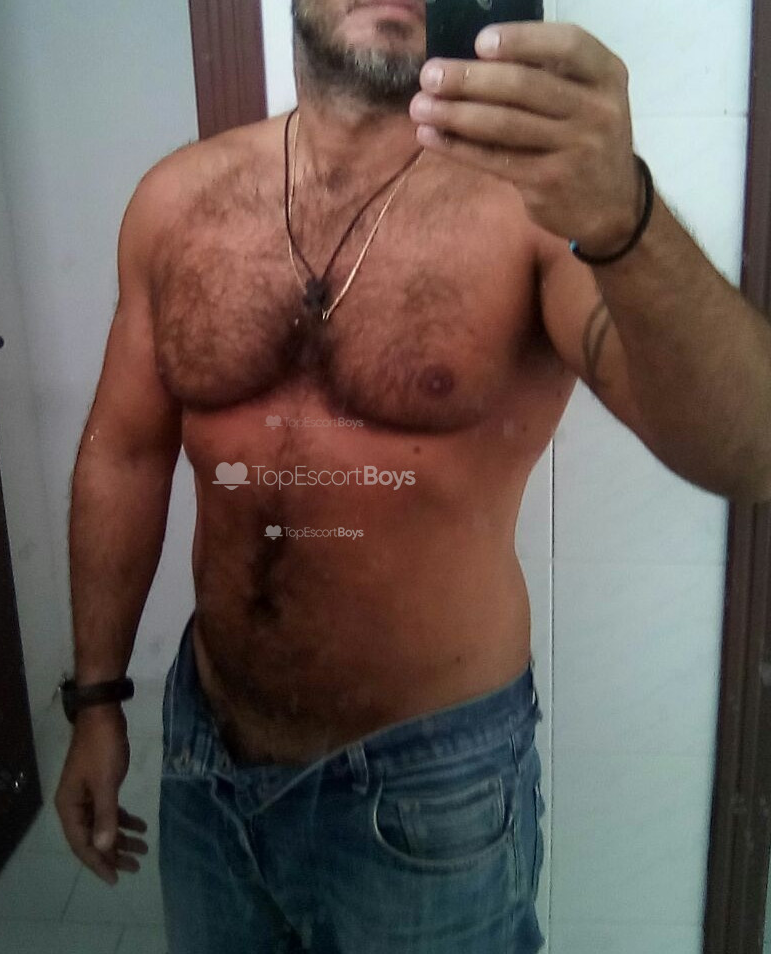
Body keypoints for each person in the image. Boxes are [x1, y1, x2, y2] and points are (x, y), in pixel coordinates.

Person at [54, 1, 771, 951]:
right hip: (208, 751)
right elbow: (125, 453)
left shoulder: (536, 211)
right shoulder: (175, 201)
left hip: (430, 785)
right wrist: (96, 699)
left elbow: (749, 453)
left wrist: (623, 217)